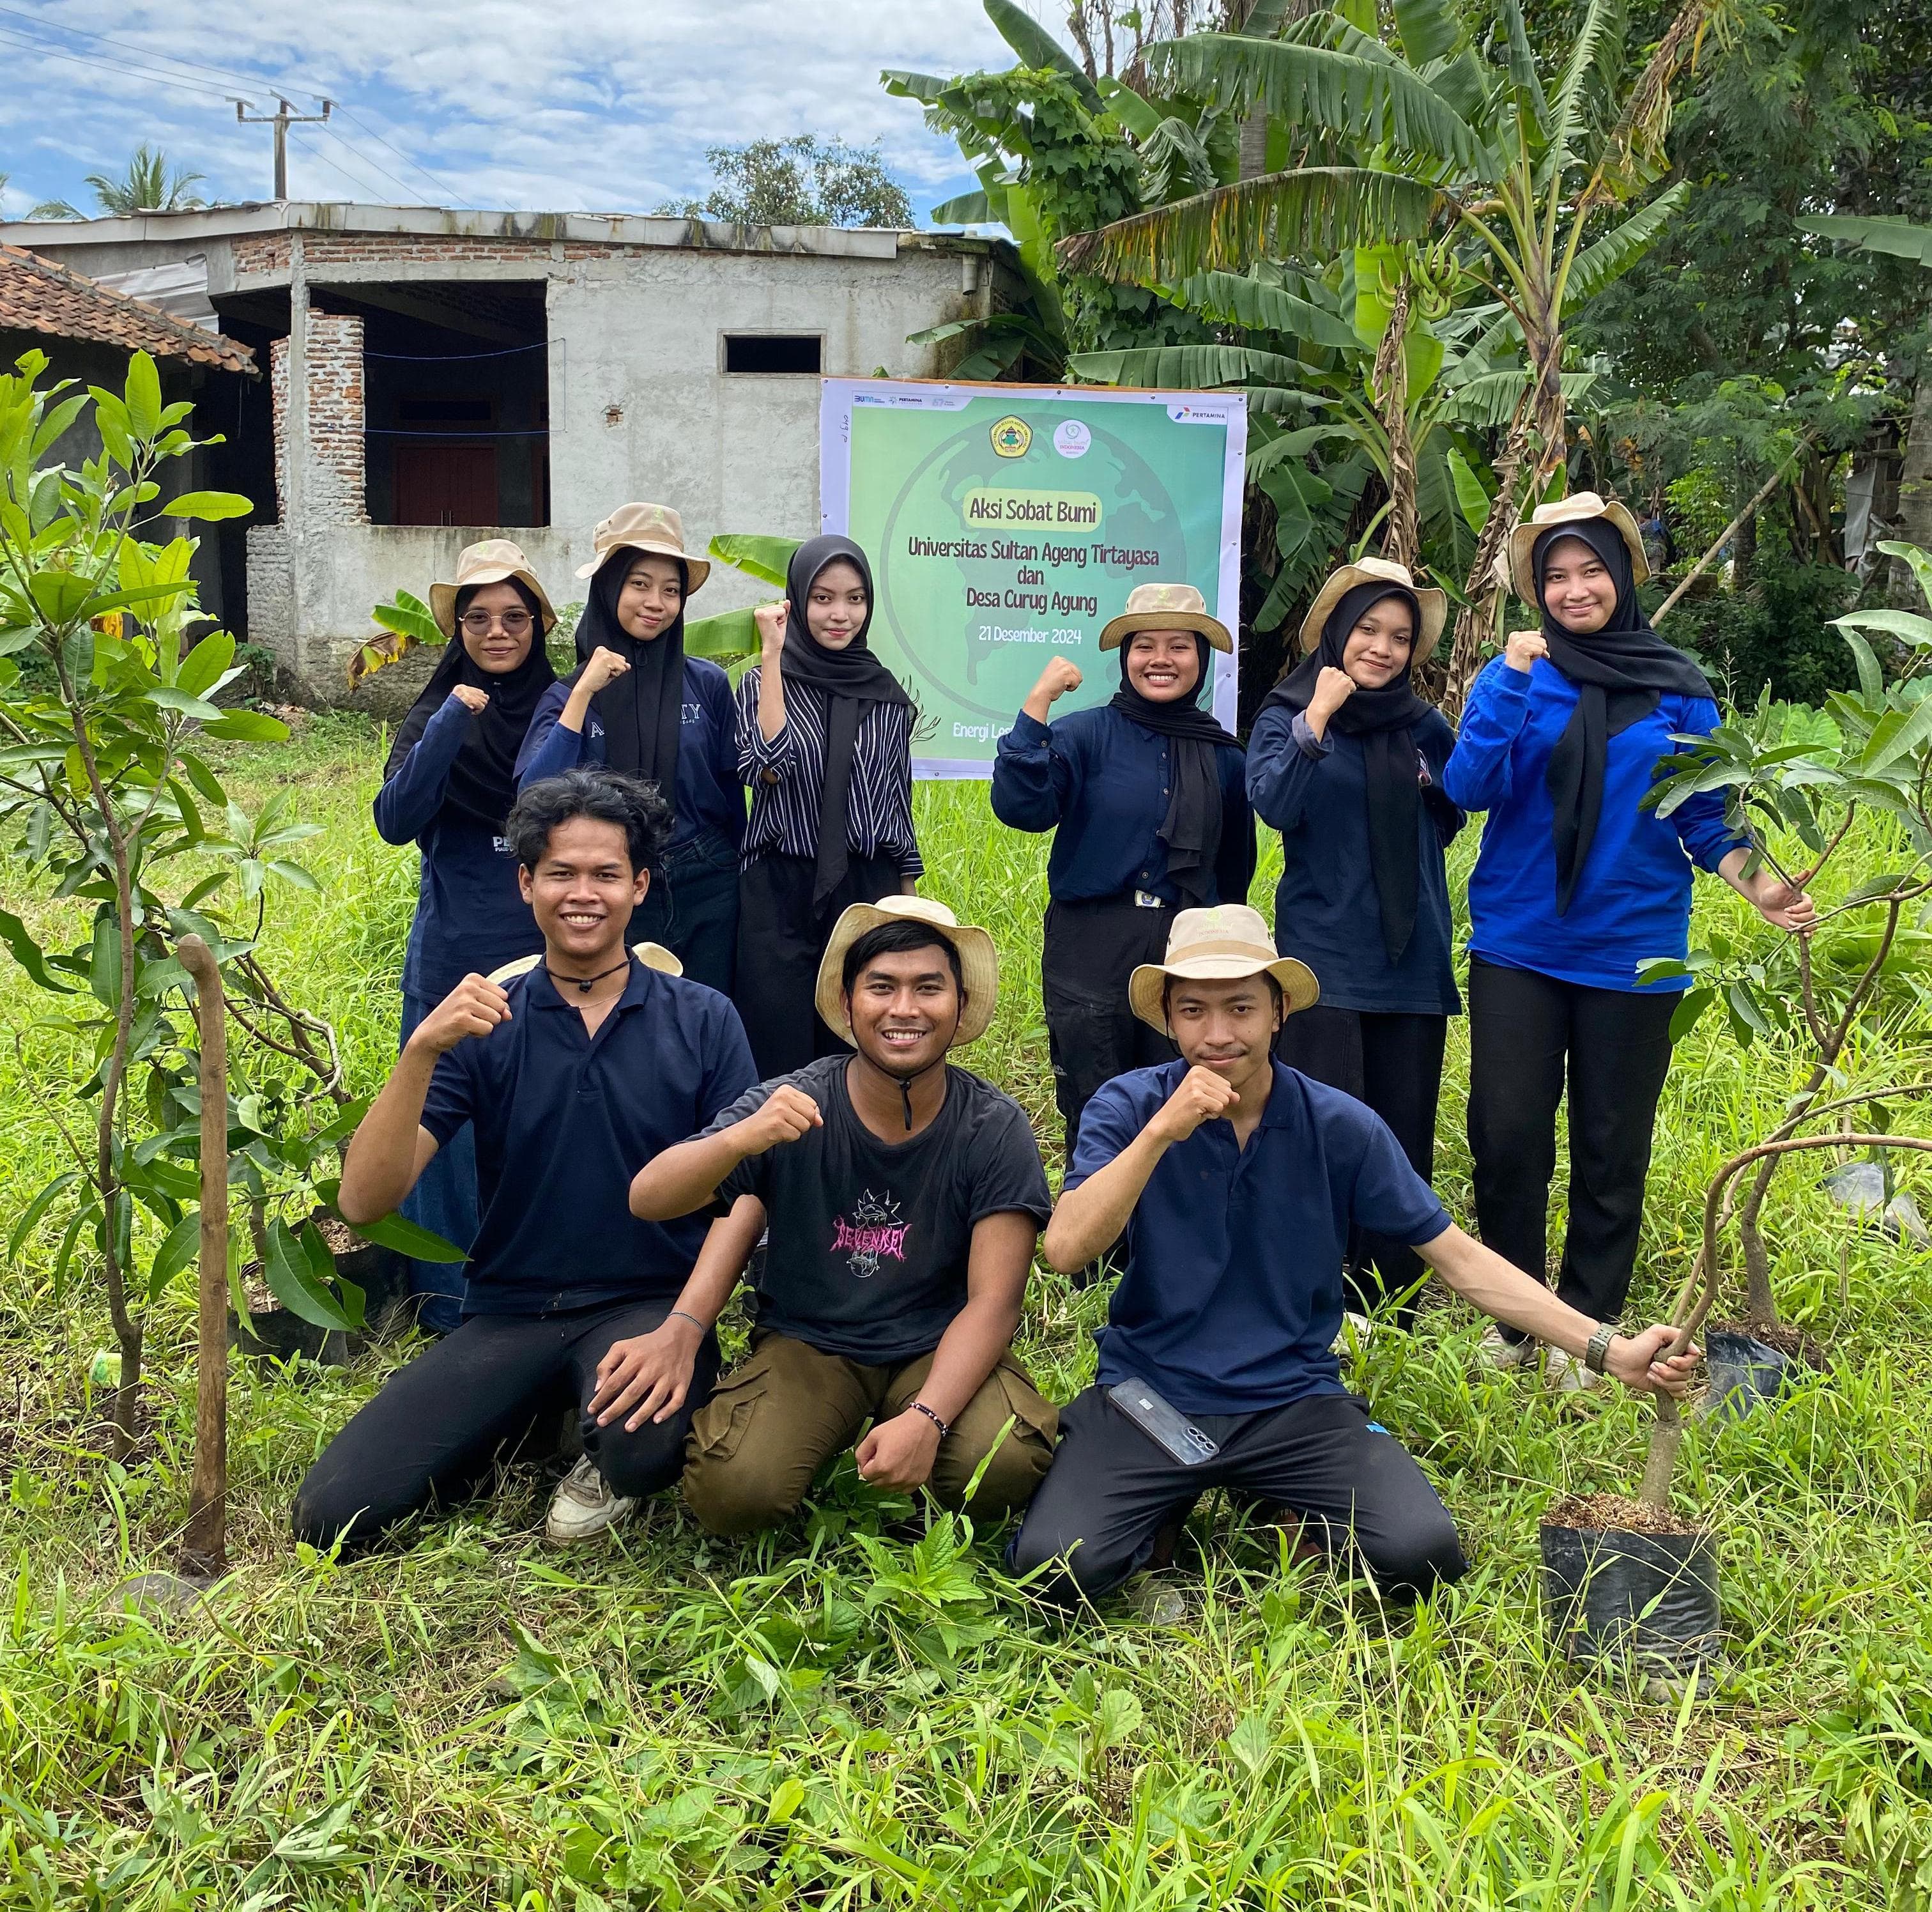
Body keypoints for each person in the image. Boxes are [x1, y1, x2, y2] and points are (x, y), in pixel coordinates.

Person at [1006, 904, 1702, 1605]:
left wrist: (1607, 1349)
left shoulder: (1337, 1124)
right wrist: (1160, 1134)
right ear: (1168, 1019)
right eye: (1193, 1010)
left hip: (1293, 1398)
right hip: (1149, 1393)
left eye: (1241, 1007)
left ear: (1278, 1012)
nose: (1218, 1035)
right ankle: (1177, 1506)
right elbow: (1066, 1250)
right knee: (1052, 1570)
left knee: (1421, 1554)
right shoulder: (1127, 1108)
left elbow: (1459, 1259)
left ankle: (1273, 1496)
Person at [293, 769, 758, 1554]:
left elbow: (747, 1197)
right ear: (526, 882)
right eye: (561, 873)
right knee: (336, 1516)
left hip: (644, 1304)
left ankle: (574, 1425)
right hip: (511, 1309)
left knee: (642, 1453)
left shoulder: (703, 1018)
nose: (584, 893)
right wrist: (419, 1051)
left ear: (640, 885)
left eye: (607, 873)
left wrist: (685, 1328)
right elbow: (366, 1200)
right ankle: (542, 1413)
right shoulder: (485, 1025)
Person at [1443, 494, 1816, 1389]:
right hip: (1519, 941)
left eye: (1591, 571)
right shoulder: (1521, 674)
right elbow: (1468, 784)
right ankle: (1515, 1316)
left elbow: (1704, 812)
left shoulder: (1680, 686)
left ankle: (1592, 1318)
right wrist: (1503, 678)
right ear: (1536, 590)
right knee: (1508, 1131)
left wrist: (1760, 885)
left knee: (1614, 1140)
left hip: (1635, 947)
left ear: (1621, 576)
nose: (1575, 590)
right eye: (1556, 577)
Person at [625, 895, 1059, 1536]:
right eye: (881, 987)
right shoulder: (788, 1101)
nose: (904, 1009)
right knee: (735, 1490)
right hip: (810, 1340)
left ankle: (913, 1451)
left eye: (928, 988)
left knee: (1004, 1463)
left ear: (959, 1005)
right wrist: (738, 1141)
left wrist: (928, 1418)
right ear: (849, 1003)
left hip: (936, 1343)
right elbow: (649, 1197)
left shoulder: (992, 1127)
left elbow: (994, 1302)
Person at [1246, 558, 1460, 1326]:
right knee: (1321, 1137)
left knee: (1403, 1142)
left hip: (1411, 963)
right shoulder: (1288, 711)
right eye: (1368, 629)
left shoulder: (1424, 725)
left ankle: (1392, 1305)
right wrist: (1317, 722)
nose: (1382, 648)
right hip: (1323, 965)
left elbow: (1453, 806)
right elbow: (1273, 802)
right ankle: (1314, 1304)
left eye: (1400, 637)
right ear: (1338, 633)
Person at [991, 582, 1254, 1164]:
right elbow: (1021, 808)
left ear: (1201, 659)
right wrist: (1037, 705)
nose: (1161, 659)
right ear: (1125, 656)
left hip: (1188, 951)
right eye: (1145, 646)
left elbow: (1234, 872)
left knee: (1187, 1100)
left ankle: (1173, 1245)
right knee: (1096, 1102)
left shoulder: (1225, 757)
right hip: (1092, 945)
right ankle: (1095, 1248)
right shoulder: (1082, 736)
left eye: (1179, 646)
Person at [374, 538, 556, 1333]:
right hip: (450, 950)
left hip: (542, 953)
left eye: (514, 617)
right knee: (439, 1125)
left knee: (531, 1120)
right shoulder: (435, 711)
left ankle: (522, 1286)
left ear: (537, 625)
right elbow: (394, 818)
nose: (497, 632)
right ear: (458, 632)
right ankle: (447, 1303)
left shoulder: (562, 705)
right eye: (478, 619)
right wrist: (452, 717)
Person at [516, 504, 744, 994]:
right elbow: (534, 793)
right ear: (609, 587)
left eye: (671, 589)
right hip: (611, 884)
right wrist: (584, 692)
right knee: (624, 1014)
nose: (656, 602)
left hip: (707, 877)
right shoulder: (568, 694)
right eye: (639, 584)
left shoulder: (706, 683)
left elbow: (731, 793)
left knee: (707, 1011)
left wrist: (737, 871)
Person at [735, 536, 921, 1077]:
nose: (840, 614)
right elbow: (766, 766)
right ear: (798, 601)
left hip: (868, 889)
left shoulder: (887, 696)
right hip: (780, 891)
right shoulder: (763, 682)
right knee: (779, 1044)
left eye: (855, 599)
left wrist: (911, 910)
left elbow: (896, 811)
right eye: (823, 598)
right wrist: (772, 655)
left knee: (862, 1046)